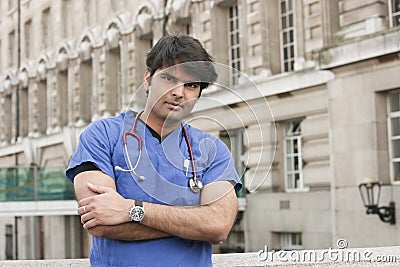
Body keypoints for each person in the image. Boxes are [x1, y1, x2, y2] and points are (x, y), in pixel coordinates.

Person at [66, 35, 242, 267]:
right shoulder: (102, 136)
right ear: (147, 79)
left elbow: (218, 226)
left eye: (191, 85)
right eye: (169, 78)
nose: (179, 92)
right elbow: (100, 221)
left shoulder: (212, 150)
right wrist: (193, 222)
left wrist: (132, 209)